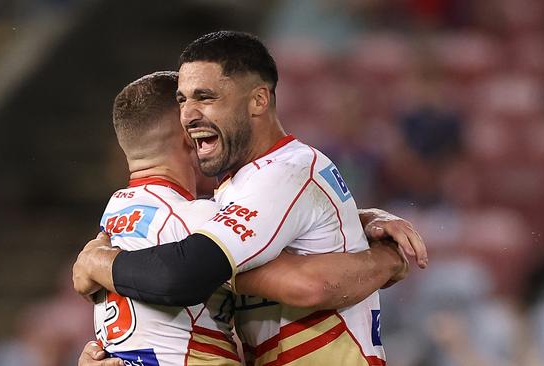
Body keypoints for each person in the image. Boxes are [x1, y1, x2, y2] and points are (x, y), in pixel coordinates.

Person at [74, 31, 427, 365]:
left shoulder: (284, 170)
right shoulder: (234, 188)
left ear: (258, 100)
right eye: (183, 100)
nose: (187, 115)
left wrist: (97, 263)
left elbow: (306, 285)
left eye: (205, 97)